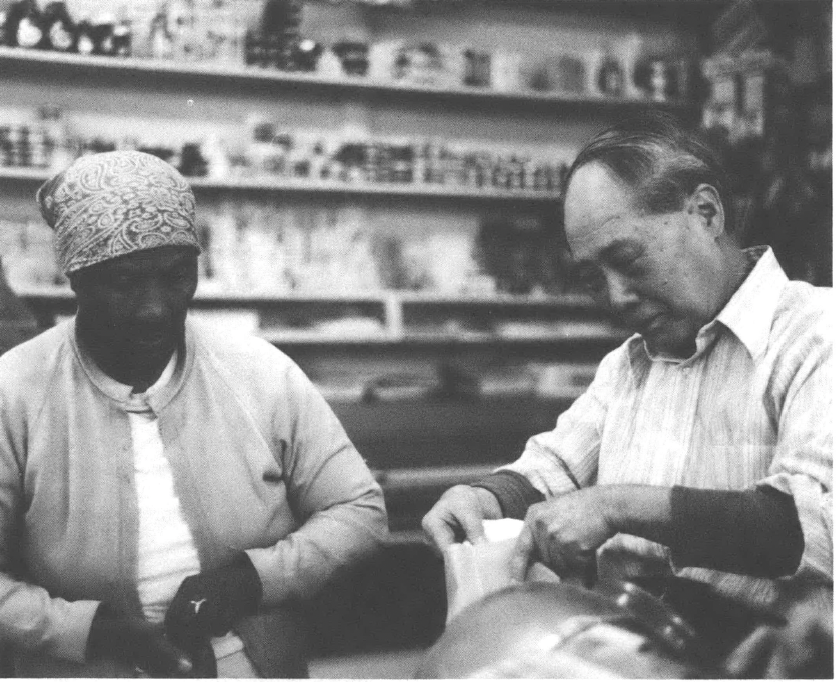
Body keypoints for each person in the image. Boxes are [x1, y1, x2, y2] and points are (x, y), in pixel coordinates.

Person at [423, 113, 832, 656]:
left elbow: (813, 528)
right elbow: (554, 470)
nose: (615, 298)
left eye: (627, 259)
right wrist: (484, 498)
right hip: (634, 651)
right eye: (594, 277)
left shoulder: (814, 334)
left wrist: (618, 506)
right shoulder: (629, 364)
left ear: (705, 212)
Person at [0, 150, 387, 677]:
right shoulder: (15, 391)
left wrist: (253, 580)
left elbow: (358, 511)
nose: (155, 306)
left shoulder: (259, 371)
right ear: (76, 279)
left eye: (176, 275)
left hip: (249, 660)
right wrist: (85, 629)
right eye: (124, 282)